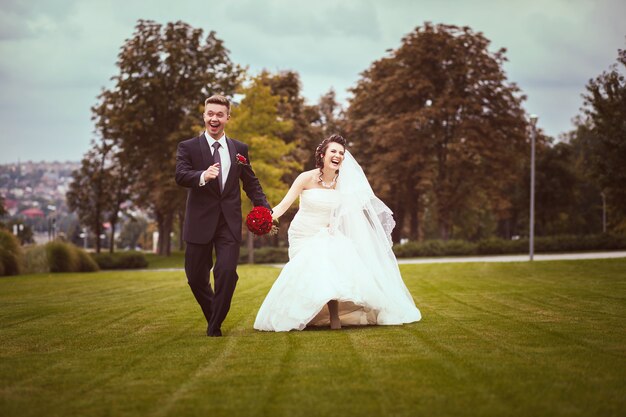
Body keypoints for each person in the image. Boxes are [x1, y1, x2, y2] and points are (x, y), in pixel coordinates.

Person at [254, 134, 421, 332]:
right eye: (333, 151)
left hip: (326, 232)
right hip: (301, 233)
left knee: (328, 265)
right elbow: (283, 205)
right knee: (306, 274)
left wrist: (334, 229)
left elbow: (344, 215)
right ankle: (306, 314)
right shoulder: (305, 178)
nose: (338, 155)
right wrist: (265, 218)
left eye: (341, 153)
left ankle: (334, 316)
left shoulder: (344, 185)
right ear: (323, 155)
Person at [175, 94, 270, 337]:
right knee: (196, 278)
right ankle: (213, 314)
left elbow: (251, 183)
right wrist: (202, 176)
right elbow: (181, 175)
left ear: (228, 117)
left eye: (219, 114)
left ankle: (214, 326)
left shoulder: (239, 149)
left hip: (229, 223)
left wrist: (265, 210)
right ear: (204, 116)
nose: (214, 118)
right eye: (210, 114)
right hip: (199, 223)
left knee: (227, 272)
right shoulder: (188, 147)